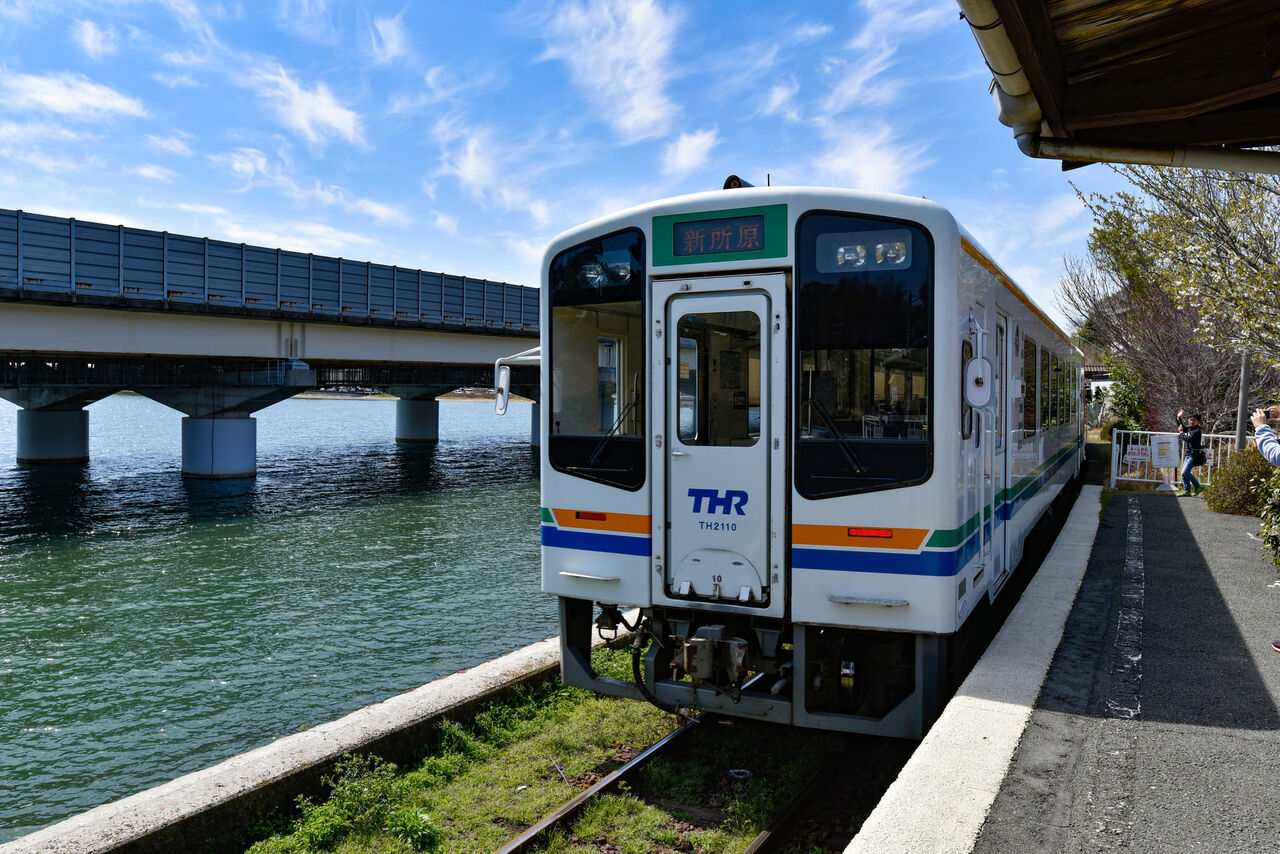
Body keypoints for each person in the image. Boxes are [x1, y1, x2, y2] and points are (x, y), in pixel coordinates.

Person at [1175, 409, 1204, 497]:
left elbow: (1188, 439)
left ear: (1198, 422)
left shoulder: (1197, 430)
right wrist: (1179, 418)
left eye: (1194, 420)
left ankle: (1198, 486)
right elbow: (1182, 427)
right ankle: (1187, 491)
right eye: (1190, 419)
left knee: (1185, 472)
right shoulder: (1191, 428)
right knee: (1184, 474)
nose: (1191, 421)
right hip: (1188, 454)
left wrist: (1181, 433)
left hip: (1194, 454)